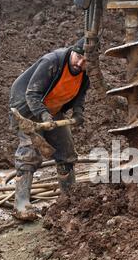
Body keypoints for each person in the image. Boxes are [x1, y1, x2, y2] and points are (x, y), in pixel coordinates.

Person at [9, 38, 90, 221]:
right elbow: (32, 93)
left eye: (86, 61)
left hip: (53, 109)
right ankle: (21, 205)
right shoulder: (52, 62)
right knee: (29, 152)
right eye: (78, 57)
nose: (80, 63)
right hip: (28, 107)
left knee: (67, 152)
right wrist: (45, 117)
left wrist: (78, 112)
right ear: (72, 52)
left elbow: (80, 94)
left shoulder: (86, 71)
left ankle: (69, 199)